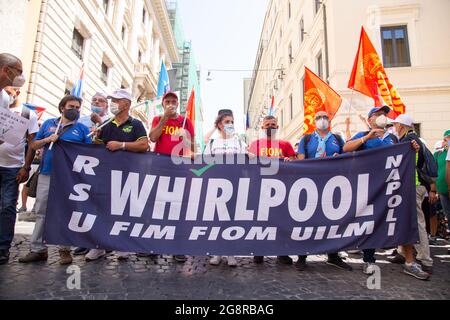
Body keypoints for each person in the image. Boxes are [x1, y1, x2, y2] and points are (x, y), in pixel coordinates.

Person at [19, 95, 91, 265]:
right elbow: (34, 145)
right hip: (47, 173)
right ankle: (37, 249)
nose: (75, 109)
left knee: (66, 212)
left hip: (68, 178)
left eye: (78, 107)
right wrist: (47, 140)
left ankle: (65, 250)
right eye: (71, 106)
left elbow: (88, 154)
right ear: (62, 108)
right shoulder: (48, 124)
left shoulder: (82, 130)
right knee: (42, 212)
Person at [85, 89, 149, 262]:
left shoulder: (135, 124)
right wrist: (97, 138)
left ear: (126, 104)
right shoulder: (106, 124)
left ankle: (122, 245)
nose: (112, 103)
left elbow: (144, 145)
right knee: (101, 209)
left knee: (124, 211)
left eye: (116, 100)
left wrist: (121, 145)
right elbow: (99, 147)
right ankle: (98, 247)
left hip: (128, 174)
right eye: (111, 100)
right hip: (106, 174)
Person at [343, 106, 398, 275]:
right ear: (370, 120)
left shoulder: (393, 138)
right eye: (377, 115)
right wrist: (367, 137)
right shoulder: (362, 136)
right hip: (367, 186)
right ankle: (368, 259)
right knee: (367, 222)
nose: (382, 117)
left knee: (380, 222)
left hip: (387, 186)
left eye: (383, 114)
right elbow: (346, 148)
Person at [294, 111, 352, 271]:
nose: (322, 120)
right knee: (307, 220)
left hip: (333, 185)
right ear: (314, 121)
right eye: (319, 117)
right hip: (311, 184)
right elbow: (300, 159)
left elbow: (346, 157)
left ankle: (333, 255)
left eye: (325, 117)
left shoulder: (337, 139)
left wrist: (338, 158)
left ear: (330, 121)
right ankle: (302, 255)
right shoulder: (306, 139)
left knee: (333, 220)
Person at [385, 114, 433, 280]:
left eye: (396, 124)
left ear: (401, 126)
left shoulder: (408, 140)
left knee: (417, 223)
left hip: (413, 186)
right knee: (404, 220)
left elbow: (409, 164)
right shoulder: (411, 139)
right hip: (412, 186)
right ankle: (401, 253)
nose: (394, 127)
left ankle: (425, 259)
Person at [149, 91, 194, 263]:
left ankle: (177, 246)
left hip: (180, 168)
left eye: (173, 101)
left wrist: (186, 139)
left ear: (178, 104)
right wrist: (164, 119)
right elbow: (153, 138)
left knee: (177, 207)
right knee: (158, 205)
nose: (170, 103)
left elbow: (192, 149)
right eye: (167, 101)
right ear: (163, 104)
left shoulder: (186, 121)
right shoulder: (158, 118)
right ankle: (155, 244)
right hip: (160, 167)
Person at [248, 115, 296, 265]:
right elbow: (249, 166)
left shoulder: (285, 144)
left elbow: (296, 163)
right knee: (260, 221)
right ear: (262, 127)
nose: (270, 127)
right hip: (260, 188)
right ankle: (259, 251)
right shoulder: (254, 144)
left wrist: (290, 161)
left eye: (273, 124)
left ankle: (282, 253)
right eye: (267, 124)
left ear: (278, 126)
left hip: (281, 189)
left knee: (281, 221)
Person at [0, 85, 39, 265]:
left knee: (7, 206)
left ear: (17, 92)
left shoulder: (27, 114)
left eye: (9, 93)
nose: (7, 96)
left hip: (12, 167)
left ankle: (2, 249)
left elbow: (32, 143)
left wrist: (26, 167)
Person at [205, 110, 247, 267]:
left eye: (232, 121)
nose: (230, 124)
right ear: (219, 125)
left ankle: (230, 253)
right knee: (217, 219)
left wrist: (250, 155)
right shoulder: (212, 143)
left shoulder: (240, 143)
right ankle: (217, 252)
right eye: (227, 122)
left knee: (231, 219)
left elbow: (247, 163)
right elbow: (205, 163)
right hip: (217, 186)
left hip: (235, 185)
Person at [434, 131, 450, 241]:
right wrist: (434, 190)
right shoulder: (438, 154)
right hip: (442, 191)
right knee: (448, 216)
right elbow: (433, 172)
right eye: (444, 139)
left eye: (447, 139)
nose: (445, 142)